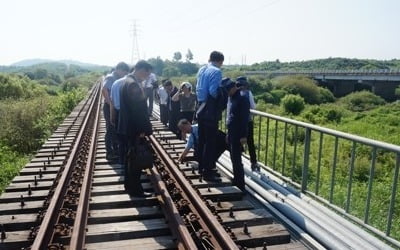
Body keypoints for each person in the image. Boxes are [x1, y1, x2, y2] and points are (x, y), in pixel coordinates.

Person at [117, 60, 153, 197]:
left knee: (130, 158)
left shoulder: (126, 81)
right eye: (146, 73)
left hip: (127, 127)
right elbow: (138, 110)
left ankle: (129, 186)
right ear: (140, 69)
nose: (147, 76)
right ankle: (136, 190)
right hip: (133, 128)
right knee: (135, 160)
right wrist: (143, 130)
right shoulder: (133, 84)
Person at [196, 51, 224, 181]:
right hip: (210, 110)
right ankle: (208, 172)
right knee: (210, 142)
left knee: (202, 140)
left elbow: (198, 89)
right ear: (220, 61)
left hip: (200, 108)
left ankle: (201, 167)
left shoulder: (202, 69)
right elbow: (213, 92)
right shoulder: (216, 71)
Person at [225, 78, 250, 191]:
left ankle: (240, 185)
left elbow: (245, 119)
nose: (227, 93)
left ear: (232, 88)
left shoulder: (242, 99)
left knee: (237, 159)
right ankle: (236, 180)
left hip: (238, 133)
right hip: (231, 131)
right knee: (233, 157)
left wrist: (244, 135)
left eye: (227, 90)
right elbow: (231, 115)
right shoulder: (232, 97)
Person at [101, 62, 129, 160]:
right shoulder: (111, 77)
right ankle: (109, 153)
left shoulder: (117, 78)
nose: (125, 74)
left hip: (114, 108)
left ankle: (116, 150)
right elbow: (104, 90)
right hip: (109, 108)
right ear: (119, 69)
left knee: (115, 129)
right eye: (124, 72)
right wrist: (110, 104)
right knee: (110, 129)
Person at [236, 76, 260, 171]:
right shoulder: (248, 93)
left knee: (237, 142)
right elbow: (253, 107)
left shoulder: (233, 93)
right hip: (247, 121)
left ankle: (238, 162)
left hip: (236, 122)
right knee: (250, 142)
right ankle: (253, 163)